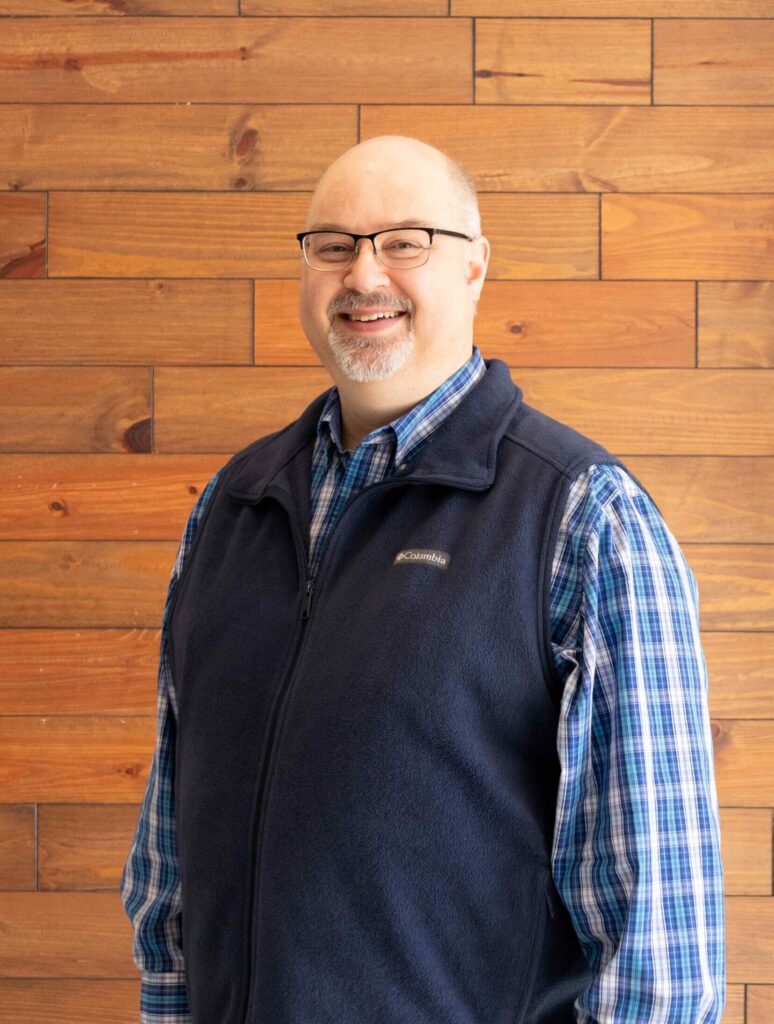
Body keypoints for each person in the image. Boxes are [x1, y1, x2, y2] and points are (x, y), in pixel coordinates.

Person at [120, 135, 725, 1024]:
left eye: (405, 242)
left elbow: (657, 953)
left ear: (475, 266)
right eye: (334, 245)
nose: (363, 275)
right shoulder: (231, 506)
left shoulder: (585, 518)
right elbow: (169, 864)